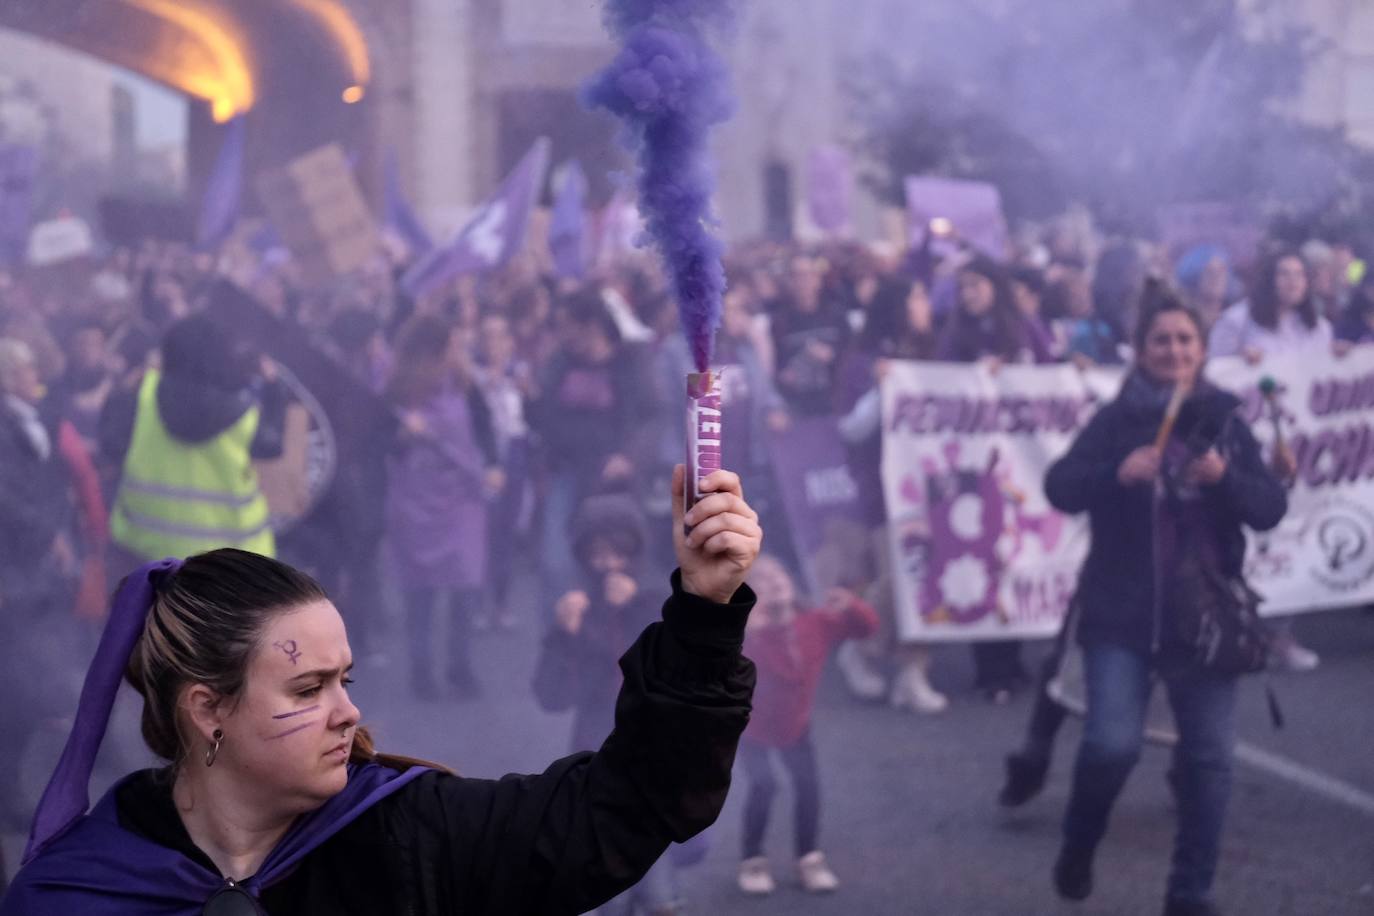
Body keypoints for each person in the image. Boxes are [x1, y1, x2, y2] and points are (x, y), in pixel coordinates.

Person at [2, 464, 763, 915]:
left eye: (346, 679)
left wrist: (703, 613)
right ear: (208, 711)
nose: (349, 712)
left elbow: (615, 814)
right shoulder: (79, 892)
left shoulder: (405, 835)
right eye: (308, 688)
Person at [1044, 284, 1286, 916]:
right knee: (1111, 745)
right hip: (1120, 614)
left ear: (1202, 350)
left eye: (1185, 340)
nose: (1173, 350)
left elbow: (1269, 508)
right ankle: (1080, 838)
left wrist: (1226, 479)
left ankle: (1190, 895)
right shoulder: (1116, 418)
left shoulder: (1227, 420)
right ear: (1141, 350)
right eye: (1161, 341)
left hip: (1203, 619)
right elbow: (1060, 486)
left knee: (1209, 761)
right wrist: (1114, 475)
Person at [532, 494, 686, 915]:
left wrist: (639, 609)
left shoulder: (661, 599)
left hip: (658, 752)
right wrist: (564, 635)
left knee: (658, 876)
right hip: (599, 752)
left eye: (618, 552)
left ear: (635, 550)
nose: (608, 564)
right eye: (597, 555)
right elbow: (552, 696)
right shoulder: (577, 608)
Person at [1207, 249, 1333, 672]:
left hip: (1305, 447)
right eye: (1284, 273)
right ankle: (1243, 627)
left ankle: (1281, 633)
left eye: (1300, 274)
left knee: (1298, 531)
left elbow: (1325, 378)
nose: (1293, 281)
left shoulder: (1318, 327)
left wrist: (1345, 356)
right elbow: (1212, 373)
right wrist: (1240, 363)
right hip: (1252, 443)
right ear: (1268, 279)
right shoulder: (1237, 322)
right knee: (1258, 536)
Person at [833, 278, 948, 712]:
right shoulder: (863, 362)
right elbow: (850, 427)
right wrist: (886, 389)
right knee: (896, 579)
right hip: (886, 490)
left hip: (933, 487)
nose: (924, 304)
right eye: (916, 296)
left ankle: (912, 672)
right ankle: (858, 648)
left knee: (924, 578)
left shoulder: (931, 352)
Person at [734, 556, 877, 899]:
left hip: (795, 724)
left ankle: (808, 858)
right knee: (764, 785)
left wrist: (852, 606)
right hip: (747, 727)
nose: (774, 582)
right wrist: (752, 631)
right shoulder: (743, 635)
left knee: (808, 786)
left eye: (778, 574)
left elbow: (866, 630)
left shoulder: (814, 621)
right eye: (762, 580)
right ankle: (753, 858)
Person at [935, 257, 1045, 701]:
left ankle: (1013, 659)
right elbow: (936, 385)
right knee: (979, 556)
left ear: (996, 287)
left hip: (1019, 461)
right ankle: (989, 667)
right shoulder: (953, 336)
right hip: (972, 463)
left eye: (976, 285)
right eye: (963, 287)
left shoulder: (1025, 328)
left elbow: (1049, 374)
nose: (969, 294)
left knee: (1015, 557)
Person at [102, 314, 286, 570]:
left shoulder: (142, 395)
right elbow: (273, 445)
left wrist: (127, 384)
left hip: (146, 557)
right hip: (230, 570)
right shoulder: (244, 413)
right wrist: (274, 387)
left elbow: (110, 444)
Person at [384, 315, 500, 700]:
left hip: (463, 500)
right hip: (415, 502)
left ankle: (460, 666)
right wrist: (401, 435)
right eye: (452, 347)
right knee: (421, 592)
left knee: (465, 586)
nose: (458, 354)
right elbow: (376, 444)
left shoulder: (466, 386)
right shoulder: (396, 392)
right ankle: (421, 670)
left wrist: (495, 466)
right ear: (431, 353)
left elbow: (484, 428)